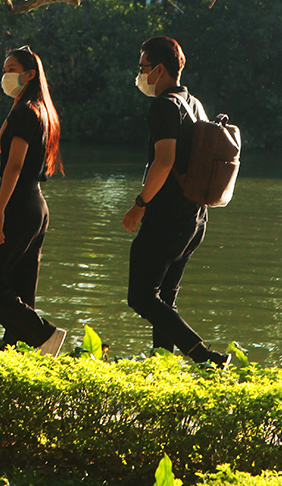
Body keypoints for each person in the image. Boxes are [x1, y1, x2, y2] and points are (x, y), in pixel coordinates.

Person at [122, 36, 230, 368]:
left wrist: (139, 204)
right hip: (194, 218)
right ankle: (162, 365)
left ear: (158, 69)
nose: (140, 75)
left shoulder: (165, 106)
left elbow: (164, 161)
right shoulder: (194, 104)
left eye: (142, 68)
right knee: (164, 299)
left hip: (167, 215)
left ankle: (204, 356)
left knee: (141, 297)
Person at [0, 46, 67, 356]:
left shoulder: (27, 111)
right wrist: (14, 103)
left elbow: (13, 165)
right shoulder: (37, 109)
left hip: (20, 203)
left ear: (28, 74)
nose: (6, 75)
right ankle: (17, 347)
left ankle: (45, 335)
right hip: (36, 205)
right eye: (4, 69)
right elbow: (2, 145)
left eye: (12, 69)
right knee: (21, 283)